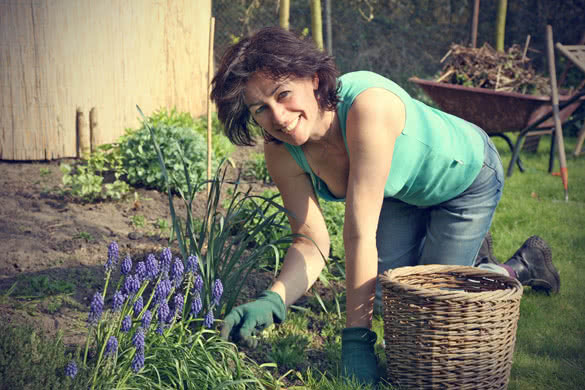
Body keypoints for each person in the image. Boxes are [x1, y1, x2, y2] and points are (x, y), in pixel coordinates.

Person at [210, 26, 561, 386]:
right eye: (260, 109)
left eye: (283, 94)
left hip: (465, 176)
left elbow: (359, 233)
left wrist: (356, 342)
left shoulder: (367, 107)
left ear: (313, 79)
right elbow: (310, 242)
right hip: (402, 192)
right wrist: (274, 299)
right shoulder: (281, 151)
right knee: (387, 296)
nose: (279, 117)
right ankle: (466, 257)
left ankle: (519, 266)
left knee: (434, 304)